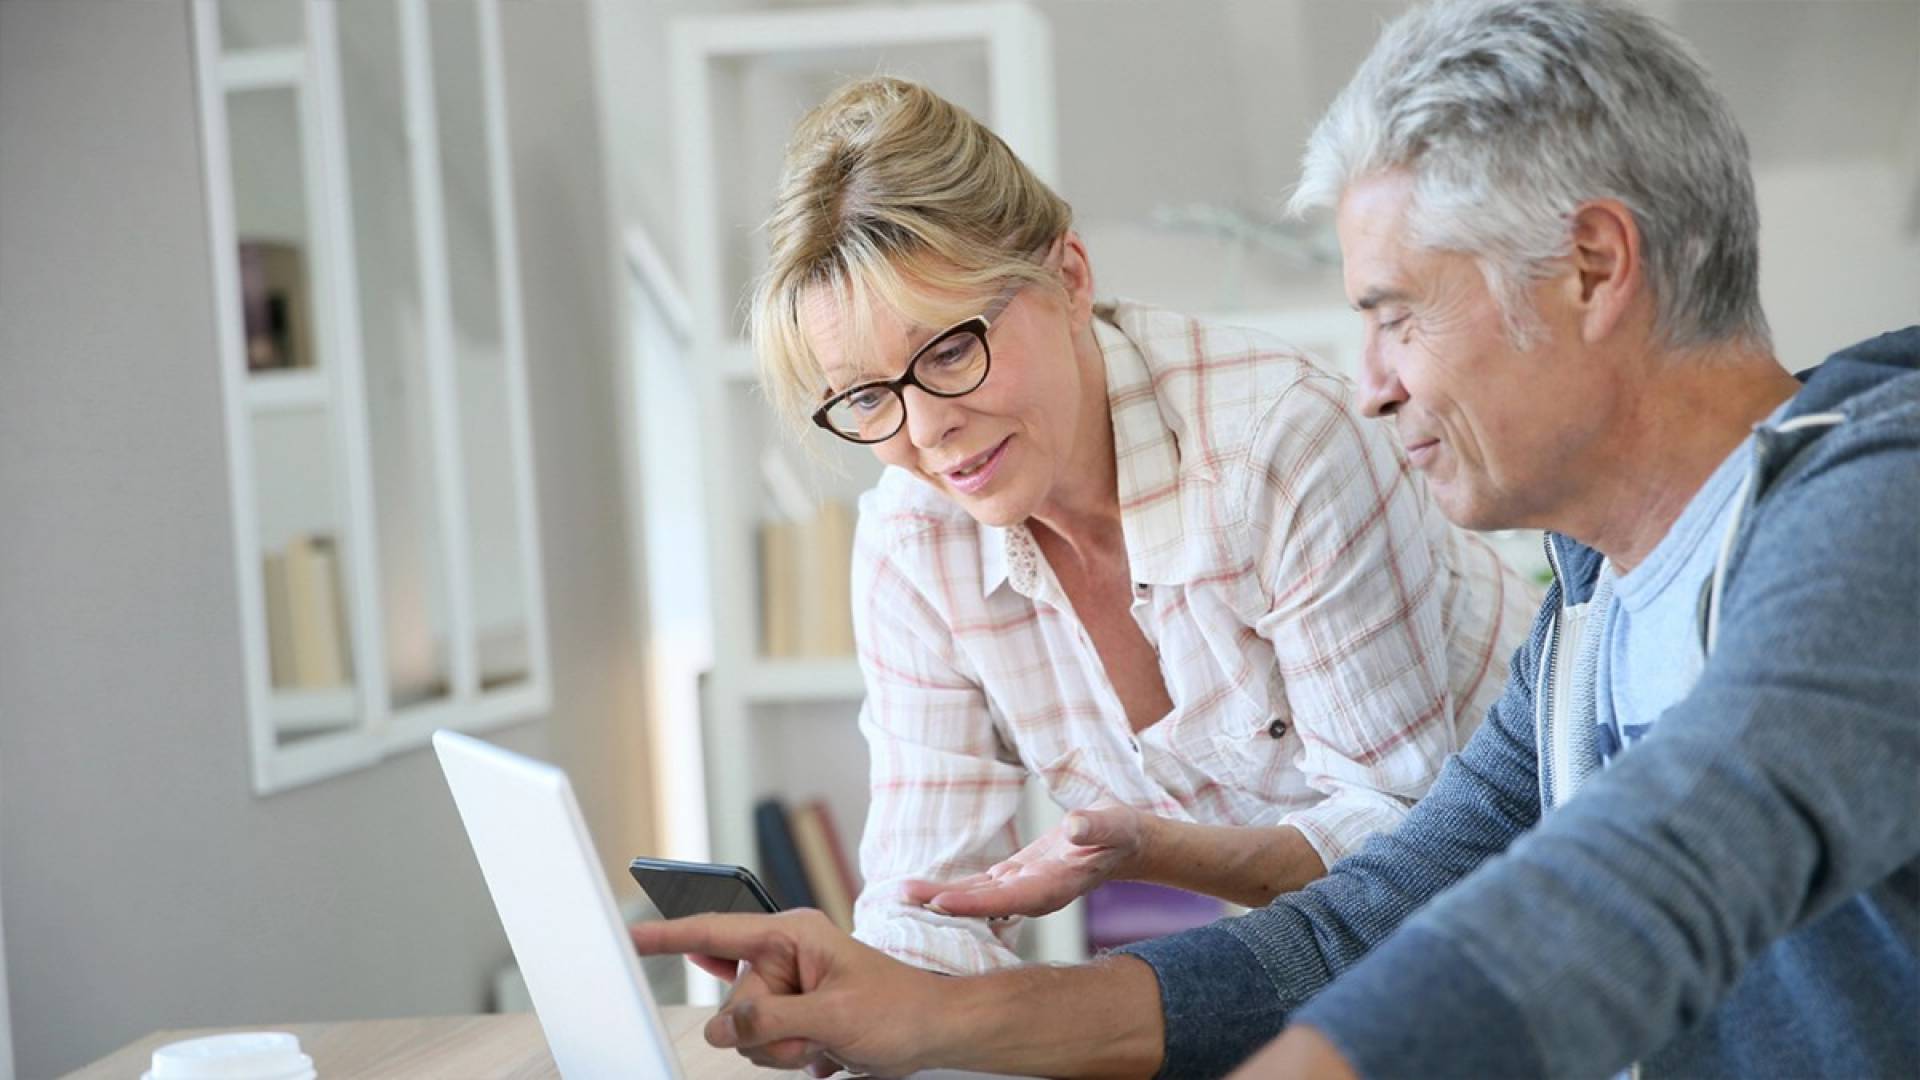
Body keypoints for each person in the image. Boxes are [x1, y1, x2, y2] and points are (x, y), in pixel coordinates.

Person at [634, 1, 1920, 1076]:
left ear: (1591, 267)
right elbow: (1363, 931)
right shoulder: (1586, 624)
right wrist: (932, 1013)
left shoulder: (1875, 510)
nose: (1369, 384)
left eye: (1396, 315)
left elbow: (1650, 876)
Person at [748, 75, 1540, 976]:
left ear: (1069, 278)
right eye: (864, 395)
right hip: (1334, 958)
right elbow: (929, 890)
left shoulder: (1279, 442)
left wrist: (1149, 849)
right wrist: (859, 1002)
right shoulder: (911, 541)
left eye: (952, 349)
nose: (926, 432)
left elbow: (1402, 841)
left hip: (1535, 910)